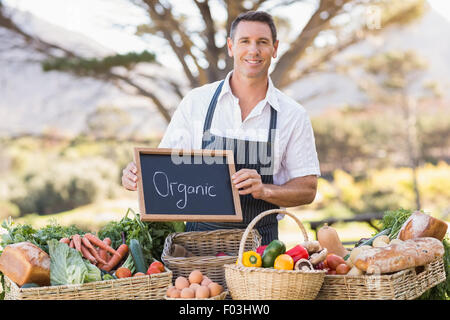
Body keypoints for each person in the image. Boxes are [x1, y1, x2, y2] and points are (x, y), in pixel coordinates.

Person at [121, 11, 320, 245]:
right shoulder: (197, 102)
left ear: (275, 49)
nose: (253, 50)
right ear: (231, 47)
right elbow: (163, 170)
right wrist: (136, 177)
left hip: (261, 250)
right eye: (245, 41)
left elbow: (308, 189)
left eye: (262, 42)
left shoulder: (292, 115)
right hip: (196, 249)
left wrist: (264, 190)